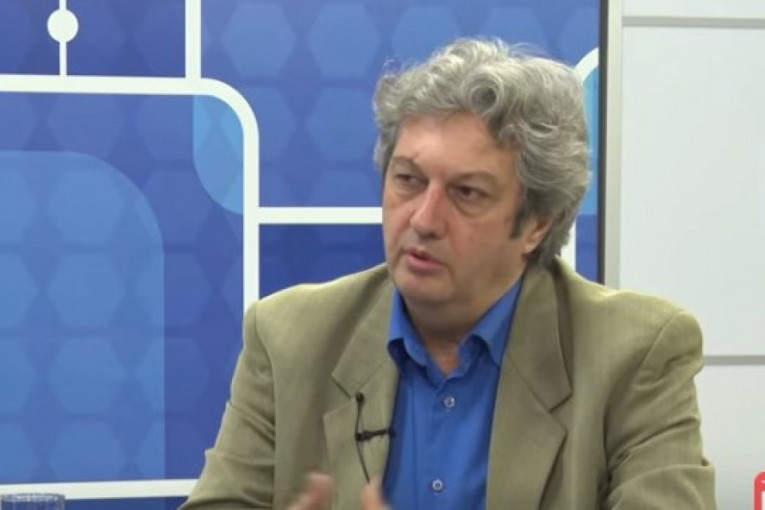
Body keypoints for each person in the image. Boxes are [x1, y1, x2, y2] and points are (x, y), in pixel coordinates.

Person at [180, 38, 715, 509]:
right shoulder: (289, 337)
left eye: (467, 193)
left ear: (537, 223)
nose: (424, 219)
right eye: (408, 180)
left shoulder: (634, 353)